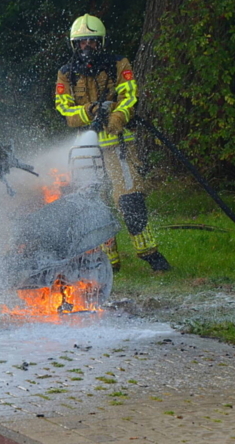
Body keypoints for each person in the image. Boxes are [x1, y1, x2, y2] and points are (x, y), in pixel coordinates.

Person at [54, 14, 171, 272]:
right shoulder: (66, 73)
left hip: (119, 145)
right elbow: (65, 110)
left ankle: (150, 254)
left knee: (130, 200)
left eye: (91, 42)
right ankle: (108, 263)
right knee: (95, 206)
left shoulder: (118, 64)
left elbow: (129, 94)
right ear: (75, 45)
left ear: (101, 42)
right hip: (86, 151)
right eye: (81, 42)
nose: (86, 47)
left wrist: (119, 115)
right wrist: (90, 111)